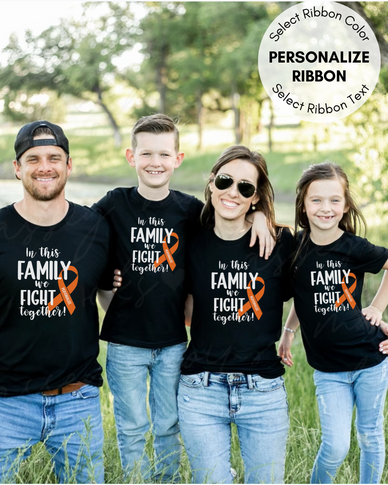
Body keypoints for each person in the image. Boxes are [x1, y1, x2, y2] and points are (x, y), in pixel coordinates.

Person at [93, 115, 273, 481]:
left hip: (174, 341)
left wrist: (259, 216)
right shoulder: (114, 204)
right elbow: (79, 235)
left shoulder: (190, 210)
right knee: (131, 428)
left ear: (178, 158)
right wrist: (102, 281)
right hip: (124, 342)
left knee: (167, 425)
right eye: (146, 154)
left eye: (164, 154)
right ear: (131, 156)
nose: (154, 162)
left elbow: (230, 220)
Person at [0, 120, 113, 483]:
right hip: (4, 404)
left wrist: (256, 212)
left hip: (77, 400)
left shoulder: (97, 228)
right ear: (17, 168)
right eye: (33, 158)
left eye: (54, 157)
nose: (45, 166)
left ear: (69, 165)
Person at [177, 145, 293, 484]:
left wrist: (290, 331)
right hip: (201, 387)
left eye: (246, 187)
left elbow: (318, 282)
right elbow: (185, 310)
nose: (233, 192)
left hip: (263, 389)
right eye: (226, 181)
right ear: (212, 182)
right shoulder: (190, 238)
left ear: (256, 197)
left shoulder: (279, 241)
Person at [279, 162, 388, 484]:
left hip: (371, 359)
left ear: (345, 205)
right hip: (329, 371)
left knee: (370, 435)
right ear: (302, 203)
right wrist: (288, 332)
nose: (325, 208)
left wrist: (378, 308)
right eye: (316, 200)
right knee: (336, 445)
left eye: (334, 200)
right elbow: (305, 294)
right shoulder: (294, 247)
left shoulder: (355, 247)